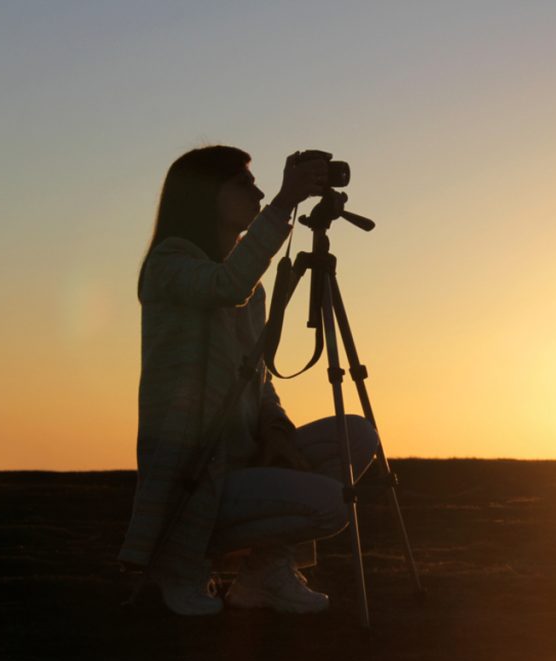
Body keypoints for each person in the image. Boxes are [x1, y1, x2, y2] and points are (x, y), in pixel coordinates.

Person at [119, 145, 379, 617]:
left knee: (359, 433)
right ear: (203, 194)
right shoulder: (169, 265)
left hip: (242, 459)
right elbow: (225, 286)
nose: (258, 194)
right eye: (244, 184)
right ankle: (179, 564)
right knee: (332, 504)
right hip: (197, 473)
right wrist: (285, 203)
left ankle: (264, 573)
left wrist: (276, 428)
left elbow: (255, 373)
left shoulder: (247, 283)